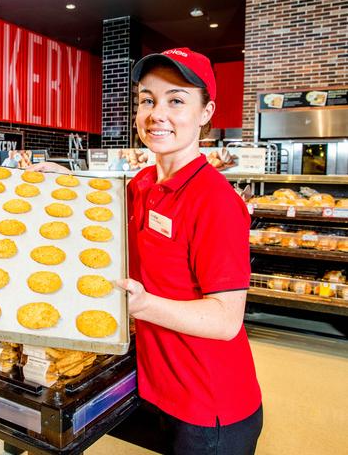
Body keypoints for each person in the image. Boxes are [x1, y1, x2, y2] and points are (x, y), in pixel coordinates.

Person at [29, 48, 262, 454]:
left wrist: (142, 305)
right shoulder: (144, 184)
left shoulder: (215, 201)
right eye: (147, 100)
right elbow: (111, 218)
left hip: (208, 406)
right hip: (156, 386)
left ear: (206, 112)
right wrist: (69, 181)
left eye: (176, 100)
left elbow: (226, 320)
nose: (157, 114)